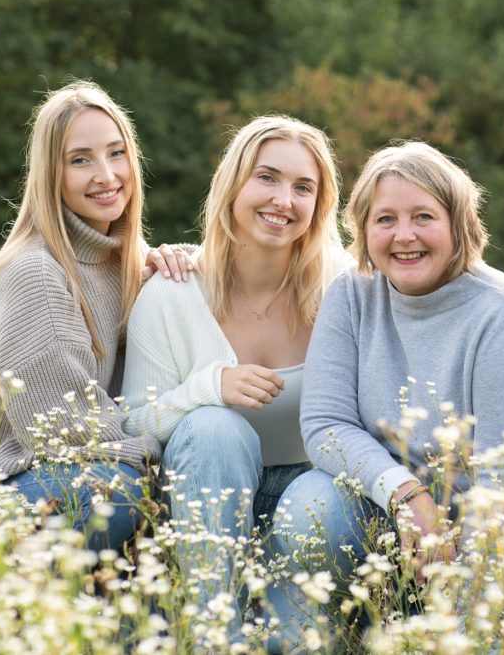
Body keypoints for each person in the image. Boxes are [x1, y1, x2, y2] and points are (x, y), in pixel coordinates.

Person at [271, 141, 504, 643]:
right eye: (384, 219)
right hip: (388, 504)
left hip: (486, 529)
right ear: (362, 229)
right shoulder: (352, 293)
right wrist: (407, 495)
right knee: (310, 507)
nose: (403, 236)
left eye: (423, 216)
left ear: (459, 226)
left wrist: (461, 605)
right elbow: (325, 425)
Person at [121, 115, 348, 635]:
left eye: (303, 187)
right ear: (233, 185)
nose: (283, 200)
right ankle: (210, 634)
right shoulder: (171, 291)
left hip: (311, 503)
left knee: (293, 645)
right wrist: (210, 388)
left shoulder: (346, 290)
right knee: (213, 426)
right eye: (266, 178)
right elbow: (133, 423)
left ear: (319, 205)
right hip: (207, 501)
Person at [0, 81, 189, 554]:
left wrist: (172, 271)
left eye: (116, 153)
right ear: (51, 174)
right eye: (80, 159)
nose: (106, 175)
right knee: (117, 492)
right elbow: (67, 428)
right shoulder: (37, 271)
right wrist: (168, 453)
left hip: (54, 476)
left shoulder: (121, 263)